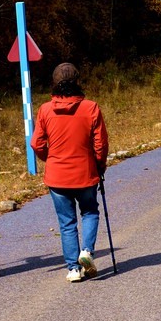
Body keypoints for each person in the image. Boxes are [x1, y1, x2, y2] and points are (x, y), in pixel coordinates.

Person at [31, 62, 109, 283]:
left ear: (54, 83)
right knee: (90, 212)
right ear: (77, 82)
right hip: (85, 172)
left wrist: (50, 158)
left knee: (66, 222)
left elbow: (36, 143)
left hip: (57, 175)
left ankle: (73, 269)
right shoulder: (91, 107)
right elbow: (100, 144)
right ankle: (87, 251)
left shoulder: (45, 110)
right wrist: (99, 165)